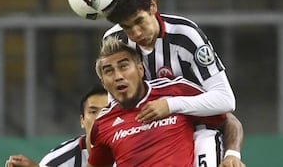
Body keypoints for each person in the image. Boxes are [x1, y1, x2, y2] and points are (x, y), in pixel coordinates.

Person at [103, 0, 245, 167]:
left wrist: (169, 105)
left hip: (197, 128)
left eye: (139, 21)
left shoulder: (185, 35)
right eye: (127, 27)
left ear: (153, 6)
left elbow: (225, 100)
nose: (136, 33)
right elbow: (117, 103)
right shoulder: (115, 40)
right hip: (145, 133)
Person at [87, 36, 227, 167]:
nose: (118, 76)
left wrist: (232, 154)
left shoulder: (175, 90)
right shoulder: (103, 123)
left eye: (123, 66)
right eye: (109, 71)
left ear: (140, 70)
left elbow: (227, 121)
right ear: (103, 83)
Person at [5, 84, 109, 167]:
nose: (99, 118)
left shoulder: (125, 151)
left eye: (107, 111)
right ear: (82, 121)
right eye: (93, 112)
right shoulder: (59, 160)